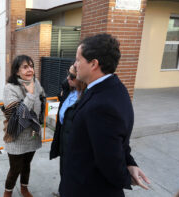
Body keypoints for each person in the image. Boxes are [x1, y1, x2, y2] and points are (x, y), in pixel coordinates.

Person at [60, 33, 150, 197]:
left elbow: (109, 160)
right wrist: (129, 163)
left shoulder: (102, 105)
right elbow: (116, 140)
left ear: (94, 64)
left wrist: (125, 175)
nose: (75, 64)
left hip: (88, 189)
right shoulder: (112, 87)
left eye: (78, 60)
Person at [2, 55, 45, 197]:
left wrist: (48, 115)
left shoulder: (36, 83)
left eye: (31, 66)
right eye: (25, 67)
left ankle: (24, 188)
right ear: (16, 71)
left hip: (32, 134)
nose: (30, 69)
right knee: (15, 168)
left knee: (27, 165)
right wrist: (31, 94)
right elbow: (18, 116)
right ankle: (7, 193)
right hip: (16, 136)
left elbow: (43, 99)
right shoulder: (10, 88)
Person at [49, 64, 87, 197]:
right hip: (63, 139)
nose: (68, 78)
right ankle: (62, 191)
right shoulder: (69, 90)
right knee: (63, 170)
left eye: (71, 76)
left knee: (72, 174)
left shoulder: (86, 97)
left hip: (74, 144)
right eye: (67, 73)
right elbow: (65, 83)